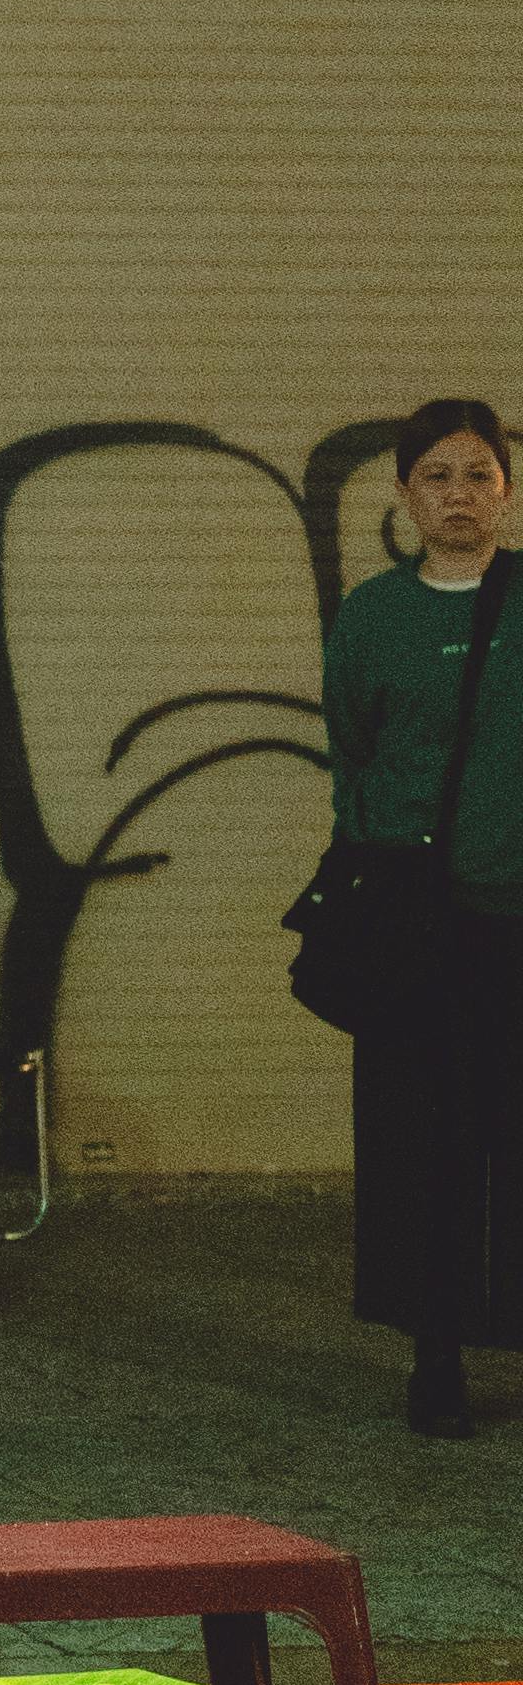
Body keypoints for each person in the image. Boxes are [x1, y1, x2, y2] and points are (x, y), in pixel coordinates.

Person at [321, 394, 523, 1439]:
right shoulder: (373, 616)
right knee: (430, 1141)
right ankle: (434, 1353)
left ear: (507, 487)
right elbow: (351, 751)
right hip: (420, 925)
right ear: (404, 493)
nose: (458, 495)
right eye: (436, 477)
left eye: (478, 475)